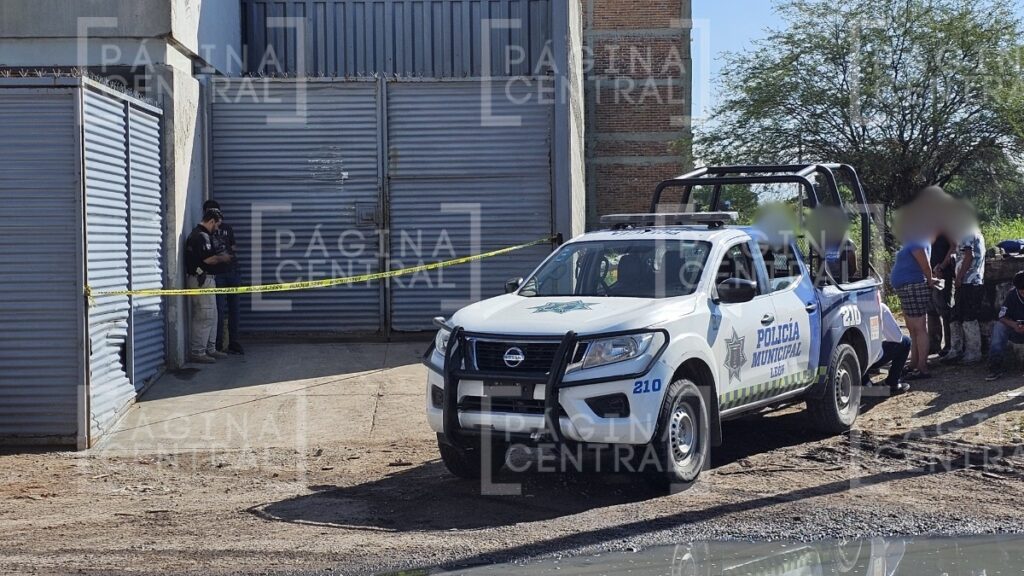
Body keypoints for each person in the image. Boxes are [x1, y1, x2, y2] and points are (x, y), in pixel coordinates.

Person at [184, 208, 232, 364]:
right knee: (204, 316)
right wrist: (223, 258)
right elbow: (209, 260)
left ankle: (210, 349)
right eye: (216, 225)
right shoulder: (201, 236)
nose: (217, 229)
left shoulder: (199, 234)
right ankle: (198, 352)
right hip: (201, 280)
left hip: (204, 280)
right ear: (211, 221)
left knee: (212, 315)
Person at [941, 213, 985, 365]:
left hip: (970, 281)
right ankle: (956, 350)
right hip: (965, 281)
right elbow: (956, 250)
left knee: (968, 317)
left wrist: (959, 277)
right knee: (956, 315)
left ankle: (973, 352)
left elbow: (969, 256)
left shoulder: (968, 232)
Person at [890, 237, 935, 380]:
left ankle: (922, 367)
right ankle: (914, 363)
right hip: (908, 287)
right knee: (912, 329)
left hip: (914, 286)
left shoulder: (917, 239)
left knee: (919, 327)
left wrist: (930, 279)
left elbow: (925, 264)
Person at [204, 200, 244, 355]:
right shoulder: (205, 231)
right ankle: (218, 344)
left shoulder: (227, 228)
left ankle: (233, 341)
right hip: (217, 275)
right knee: (219, 310)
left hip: (232, 272)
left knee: (234, 308)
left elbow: (234, 247)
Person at [864, 303, 911, 395]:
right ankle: (892, 383)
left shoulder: (839, 307)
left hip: (849, 360)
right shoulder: (879, 307)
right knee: (905, 341)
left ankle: (864, 381)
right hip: (871, 358)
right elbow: (897, 338)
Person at [986, 271, 1024, 381]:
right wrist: (1014, 325)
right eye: (1021, 292)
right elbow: (1002, 317)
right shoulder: (1012, 295)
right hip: (1016, 330)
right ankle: (995, 366)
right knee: (999, 327)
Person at [928, 233, 954, 356]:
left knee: (945, 310)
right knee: (931, 311)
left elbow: (954, 245)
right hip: (929, 274)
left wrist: (942, 266)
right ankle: (933, 344)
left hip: (943, 274)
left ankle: (949, 344)